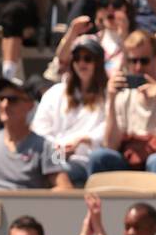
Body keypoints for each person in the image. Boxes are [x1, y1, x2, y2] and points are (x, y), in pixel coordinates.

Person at [88, 30, 156, 186]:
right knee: (99, 157)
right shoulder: (121, 93)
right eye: (132, 61)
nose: (138, 67)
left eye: (144, 61)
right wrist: (111, 99)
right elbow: (111, 145)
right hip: (131, 159)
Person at [31, 35, 107, 189]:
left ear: (98, 63)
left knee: (63, 173)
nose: (81, 63)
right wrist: (58, 149)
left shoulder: (108, 95)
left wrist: (83, 140)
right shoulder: (55, 92)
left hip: (86, 158)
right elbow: (40, 129)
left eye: (88, 58)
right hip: (54, 157)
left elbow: (109, 128)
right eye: (77, 58)